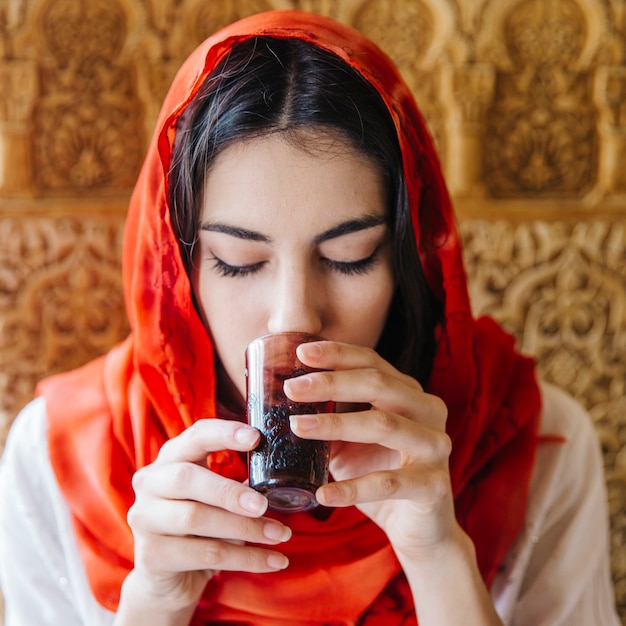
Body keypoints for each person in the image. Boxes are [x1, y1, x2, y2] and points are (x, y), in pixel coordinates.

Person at [0, 9, 620, 626]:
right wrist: (154, 604)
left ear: (407, 257)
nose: (292, 318)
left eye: (349, 258)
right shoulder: (61, 462)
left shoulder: (529, 444)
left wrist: (438, 557)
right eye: (240, 262)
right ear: (178, 271)